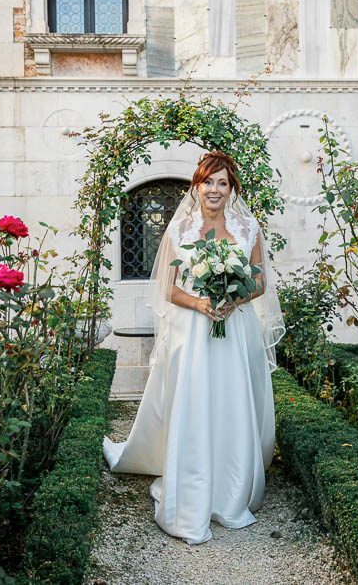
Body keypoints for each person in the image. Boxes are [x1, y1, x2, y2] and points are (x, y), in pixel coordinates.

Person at [103, 151, 284, 545]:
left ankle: (231, 491)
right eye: (208, 182)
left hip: (235, 331)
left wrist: (232, 299)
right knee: (195, 401)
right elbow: (167, 289)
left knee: (231, 402)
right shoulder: (179, 230)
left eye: (223, 183)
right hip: (192, 330)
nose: (215, 190)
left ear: (231, 189)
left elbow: (259, 284)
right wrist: (202, 303)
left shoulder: (248, 227)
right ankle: (192, 489)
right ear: (196, 187)